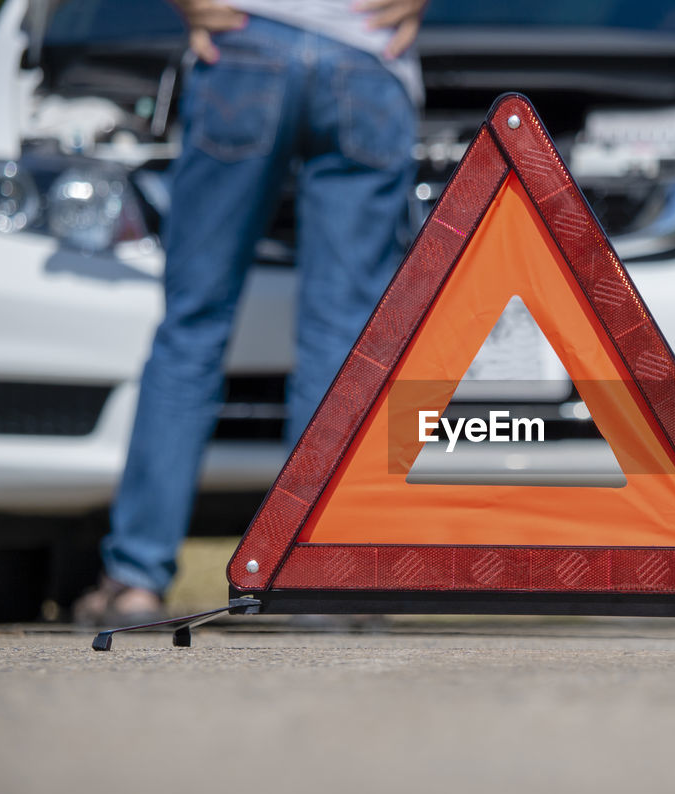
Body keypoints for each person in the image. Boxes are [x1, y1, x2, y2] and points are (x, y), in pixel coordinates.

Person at [75, 0, 428, 623]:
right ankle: (318, 582)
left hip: (242, 44)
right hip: (367, 55)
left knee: (194, 324)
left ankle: (136, 579)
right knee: (343, 339)